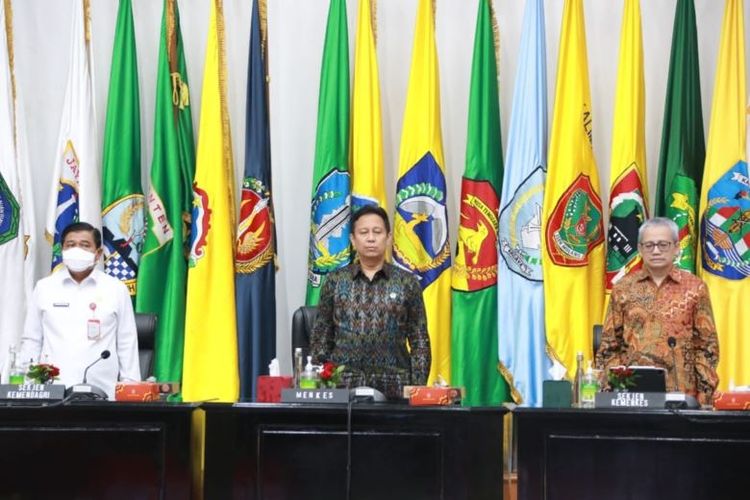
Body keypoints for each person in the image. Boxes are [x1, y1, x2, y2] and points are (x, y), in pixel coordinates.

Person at [309, 205, 431, 399]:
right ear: (353, 239)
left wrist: (416, 389)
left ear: (388, 237)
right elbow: (321, 338)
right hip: (343, 387)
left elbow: (420, 341)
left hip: (396, 388)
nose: (371, 238)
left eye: (377, 232)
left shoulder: (407, 282)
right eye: (364, 232)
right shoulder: (335, 281)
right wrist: (323, 387)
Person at [595, 217, 719, 405]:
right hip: (632, 396)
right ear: (640, 248)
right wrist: (617, 391)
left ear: (676, 247)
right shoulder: (623, 288)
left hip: (682, 398)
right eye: (649, 245)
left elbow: (707, 347)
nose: (656, 251)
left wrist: (702, 399)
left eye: (663, 244)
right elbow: (609, 347)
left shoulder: (695, 288)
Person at [20, 222, 141, 399]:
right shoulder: (45, 287)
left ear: (98, 253)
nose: (76, 250)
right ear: (62, 250)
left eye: (84, 245)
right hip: (51, 392)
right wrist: (27, 387)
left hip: (103, 392)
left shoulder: (115, 289)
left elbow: (126, 341)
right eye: (70, 245)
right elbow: (32, 340)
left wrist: (131, 388)